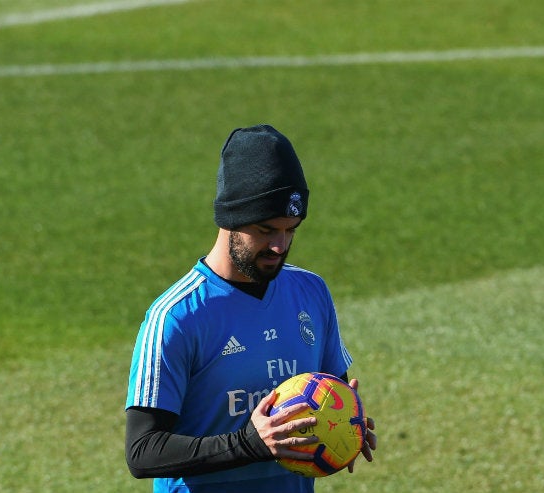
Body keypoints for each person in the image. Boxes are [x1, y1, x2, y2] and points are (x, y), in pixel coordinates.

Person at [125, 124, 377, 493]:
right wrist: (246, 444)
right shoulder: (177, 316)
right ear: (230, 218)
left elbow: (327, 391)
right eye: (266, 229)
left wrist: (344, 424)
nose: (280, 245)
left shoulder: (311, 292)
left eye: (291, 230)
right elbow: (143, 451)